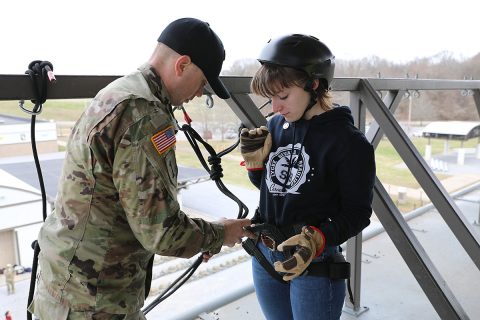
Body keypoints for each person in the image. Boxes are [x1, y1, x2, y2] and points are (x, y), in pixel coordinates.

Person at [28, 17, 250, 320]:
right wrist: (219, 234)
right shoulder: (144, 115)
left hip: (67, 289)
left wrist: (208, 236)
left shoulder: (120, 92)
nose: (200, 93)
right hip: (93, 300)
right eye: (203, 82)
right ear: (182, 65)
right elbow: (161, 233)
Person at [240, 34, 376, 320]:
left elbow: (358, 212)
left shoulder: (349, 143)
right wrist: (256, 167)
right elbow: (274, 190)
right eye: (271, 99)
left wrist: (317, 239)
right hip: (266, 253)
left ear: (314, 84)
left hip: (314, 263)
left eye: (283, 96)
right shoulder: (277, 125)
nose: (275, 108)